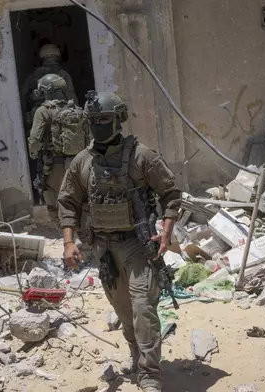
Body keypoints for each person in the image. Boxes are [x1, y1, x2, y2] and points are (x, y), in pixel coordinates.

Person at [57, 91, 181, 392]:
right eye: (94, 121)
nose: (99, 126)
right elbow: (67, 202)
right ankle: (137, 356)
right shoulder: (82, 163)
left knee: (143, 309)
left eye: (105, 120)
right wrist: (68, 242)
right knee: (124, 311)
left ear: (118, 120)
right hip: (104, 250)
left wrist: (165, 232)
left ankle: (151, 376)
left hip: (138, 246)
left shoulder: (142, 156)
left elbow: (171, 194)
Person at [27, 74, 90, 225]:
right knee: (79, 199)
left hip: (55, 165)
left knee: (54, 203)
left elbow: (35, 140)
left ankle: (70, 239)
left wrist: (35, 155)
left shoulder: (43, 111)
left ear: (47, 91)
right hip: (80, 163)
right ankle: (83, 236)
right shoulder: (76, 109)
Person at [20, 43, 78, 127]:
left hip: (38, 115)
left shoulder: (33, 75)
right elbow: (71, 96)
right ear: (57, 55)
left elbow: (23, 96)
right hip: (60, 114)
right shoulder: (63, 74)